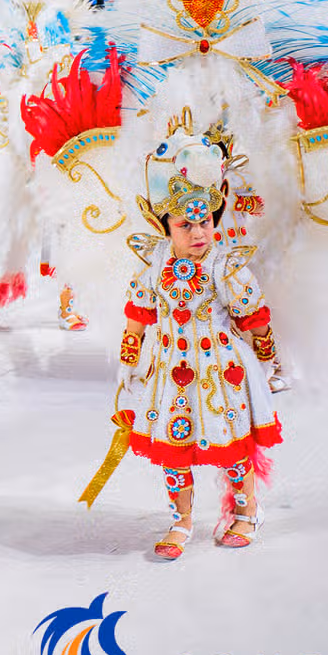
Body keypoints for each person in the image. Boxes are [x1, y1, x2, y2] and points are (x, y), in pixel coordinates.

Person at [114, 128, 284, 560]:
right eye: (185, 225)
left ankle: (247, 510)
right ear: (163, 225)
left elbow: (254, 318)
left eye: (205, 221)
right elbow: (138, 316)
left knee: (232, 447)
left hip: (222, 371)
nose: (198, 233)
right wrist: (128, 365)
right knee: (174, 448)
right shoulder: (154, 264)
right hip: (170, 372)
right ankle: (181, 520)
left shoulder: (225, 266)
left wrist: (266, 362)